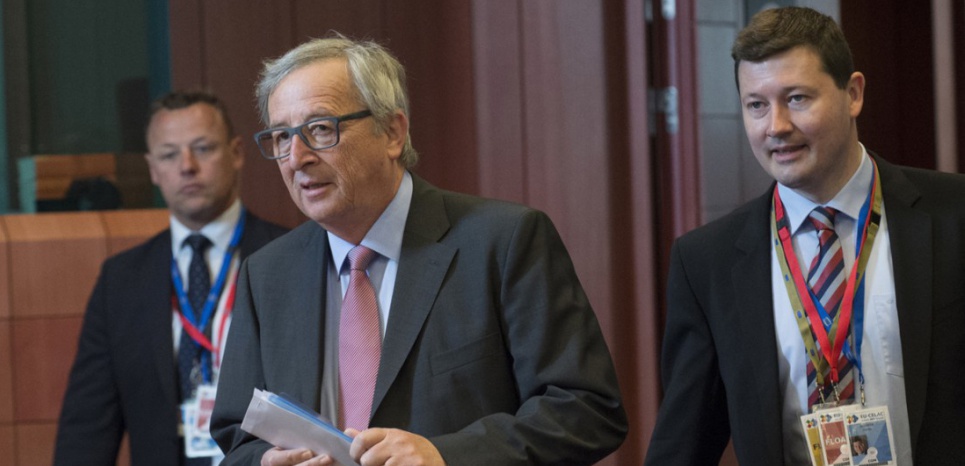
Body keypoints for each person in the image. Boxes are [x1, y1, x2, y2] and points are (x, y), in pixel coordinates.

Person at [210, 35, 627, 466]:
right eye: (281, 137)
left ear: (393, 132)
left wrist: (446, 455)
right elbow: (236, 435)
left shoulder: (504, 240)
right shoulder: (267, 273)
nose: (296, 157)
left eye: (320, 129)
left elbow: (586, 410)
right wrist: (263, 463)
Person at [644, 6, 965, 466]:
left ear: (852, 94)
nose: (776, 126)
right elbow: (684, 442)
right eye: (757, 105)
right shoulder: (706, 262)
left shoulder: (954, 218)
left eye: (796, 98)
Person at [54, 90, 288, 466]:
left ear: (237, 153)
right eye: (169, 154)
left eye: (203, 148)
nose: (187, 166)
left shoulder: (291, 257)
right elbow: (87, 426)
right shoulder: (122, 281)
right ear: (152, 169)